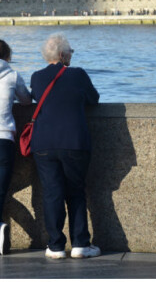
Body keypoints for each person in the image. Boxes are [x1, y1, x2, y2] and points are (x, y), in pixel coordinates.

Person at [30, 33, 100, 259]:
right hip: (74, 142)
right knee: (76, 192)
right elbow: (94, 99)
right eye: (70, 51)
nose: (72, 54)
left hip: (43, 144)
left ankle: (55, 246)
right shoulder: (78, 74)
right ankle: (80, 244)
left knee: (52, 193)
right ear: (62, 55)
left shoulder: (36, 77)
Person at [0, 40, 32, 255]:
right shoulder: (12, 75)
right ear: (7, 55)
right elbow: (27, 101)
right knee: (2, 189)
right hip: (4, 139)